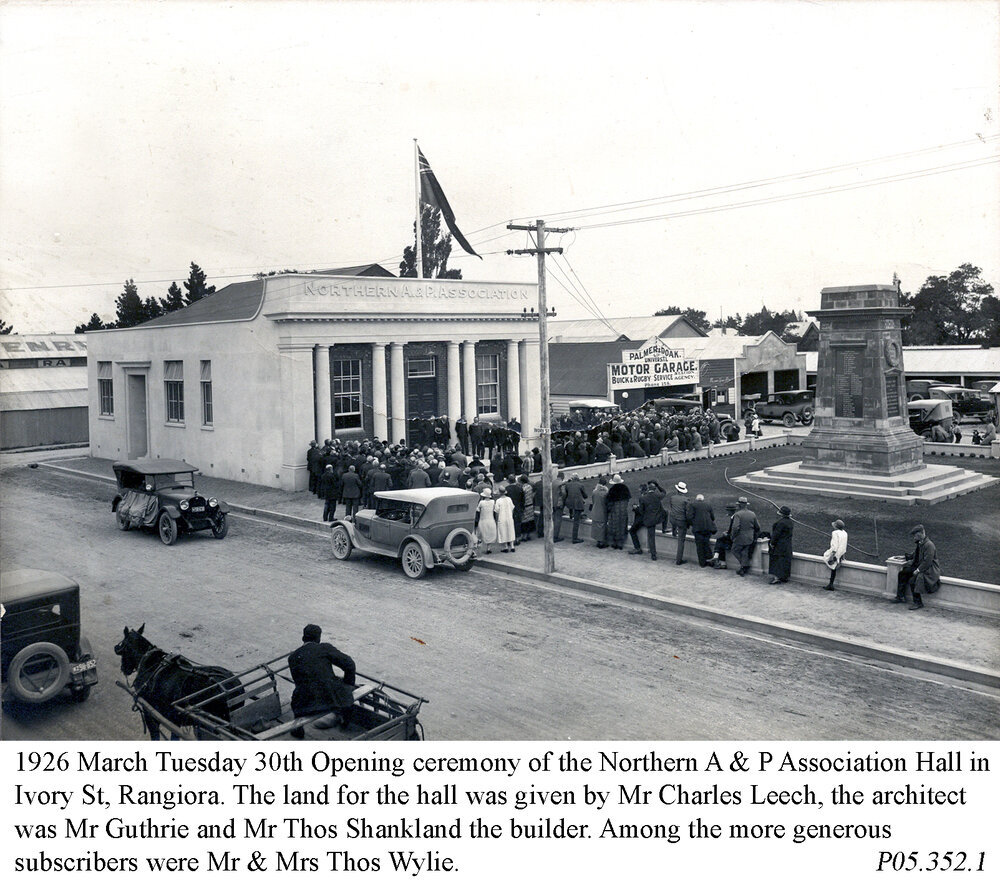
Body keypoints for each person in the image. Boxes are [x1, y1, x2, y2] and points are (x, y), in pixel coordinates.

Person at [287, 624, 356, 739]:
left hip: (306, 704)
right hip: (332, 697)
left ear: (303, 638)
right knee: (344, 691)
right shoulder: (324, 648)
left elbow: (298, 682)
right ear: (318, 639)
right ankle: (345, 722)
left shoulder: (293, 657)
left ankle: (298, 730)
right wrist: (349, 685)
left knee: (297, 694)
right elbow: (349, 664)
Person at [894, 524, 940, 611]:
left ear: (921, 534)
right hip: (920, 567)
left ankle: (918, 603)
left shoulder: (929, 545)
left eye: (915, 535)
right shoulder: (921, 543)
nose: (914, 537)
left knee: (913, 581)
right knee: (902, 573)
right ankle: (900, 597)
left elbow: (928, 562)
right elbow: (915, 554)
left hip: (929, 570)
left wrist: (918, 570)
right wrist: (903, 557)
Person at [629, 482, 666, 561]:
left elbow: (641, 511)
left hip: (644, 519)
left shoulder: (643, 498)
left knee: (632, 531)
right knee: (651, 537)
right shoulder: (657, 496)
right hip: (653, 519)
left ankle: (637, 548)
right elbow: (664, 492)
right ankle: (653, 554)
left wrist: (636, 508)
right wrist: (658, 485)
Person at [730, 496, 760, 577]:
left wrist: (732, 536)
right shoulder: (752, 514)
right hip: (750, 537)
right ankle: (744, 567)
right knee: (745, 552)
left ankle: (744, 565)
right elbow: (757, 527)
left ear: (739, 505)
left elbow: (735, 527)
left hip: (740, 538)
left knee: (734, 550)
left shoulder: (737, 514)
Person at [767, 505, 794, 584]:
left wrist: (772, 543)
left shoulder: (780, 523)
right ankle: (784, 577)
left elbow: (776, 534)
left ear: (781, 514)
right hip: (787, 544)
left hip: (779, 545)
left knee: (776, 560)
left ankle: (777, 578)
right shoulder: (790, 522)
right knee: (785, 560)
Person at [689, 493, 717, 568]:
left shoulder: (692, 505)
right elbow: (712, 517)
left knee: (699, 546)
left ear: (696, 499)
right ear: (703, 499)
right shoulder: (708, 504)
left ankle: (702, 563)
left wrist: (694, 524)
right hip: (707, 528)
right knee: (706, 544)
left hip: (698, 529)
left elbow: (689, 517)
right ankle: (710, 561)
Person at [667, 481, 691, 564]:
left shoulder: (672, 497)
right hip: (681, 521)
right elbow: (687, 513)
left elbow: (671, 507)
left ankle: (674, 532)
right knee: (681, 540)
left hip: (673, 519)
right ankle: (679, 560)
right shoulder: (686, 500)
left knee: (674, 522)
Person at [605, 474, 631, 550]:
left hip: (614, 512)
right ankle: (620, 543)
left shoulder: (612, 490)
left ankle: (615, 543)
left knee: (614, 526)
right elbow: (628, 499)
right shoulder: (625, 488)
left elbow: (609, 502)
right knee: (622, 526)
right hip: (623, 511)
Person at [823, 519, 848, 590]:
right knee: (834, 567)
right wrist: (842, 556)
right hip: (841, 553)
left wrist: (832, 556)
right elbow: (844, 545)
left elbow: (835, 545)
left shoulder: (835, 533)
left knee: (826, 558)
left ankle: (831, 584)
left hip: (835, 553)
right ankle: (831, 584)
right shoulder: (845, 533)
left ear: (836, 526)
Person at [563, 473, 588, 543]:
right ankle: (575, 538)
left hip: (569, 504)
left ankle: (571, 514)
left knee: (572, 503)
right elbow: (585, 496)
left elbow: (567, 494)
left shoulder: (567, 485)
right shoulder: (580, 485)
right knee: (576, 522)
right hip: (577, 504)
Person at [589, 475, 609, 548]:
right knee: (602, 527)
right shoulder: (605, 492)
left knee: (597, 527)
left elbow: (593, 501)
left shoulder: (594, 491)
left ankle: (598, 541)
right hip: (602, 511)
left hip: (595, 510)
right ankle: (601, 542)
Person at [493, 487, 516, 553]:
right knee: (510, 530)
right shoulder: (509, 499)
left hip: (502, 517)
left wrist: (497, 520)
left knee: (503, 531)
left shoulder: (498, 501)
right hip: (509, 517)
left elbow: (496, 511)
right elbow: (512, 508)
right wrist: (511, 515)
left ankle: (506, 546)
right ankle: (512, 546)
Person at [476, 489, 498, 554]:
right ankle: (488, 548)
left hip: (483, 520)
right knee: (489, 534)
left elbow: (478, 510)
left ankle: (479, 547)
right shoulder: (493, 502)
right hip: (491, 520)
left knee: (481, 534)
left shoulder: (481, 502)